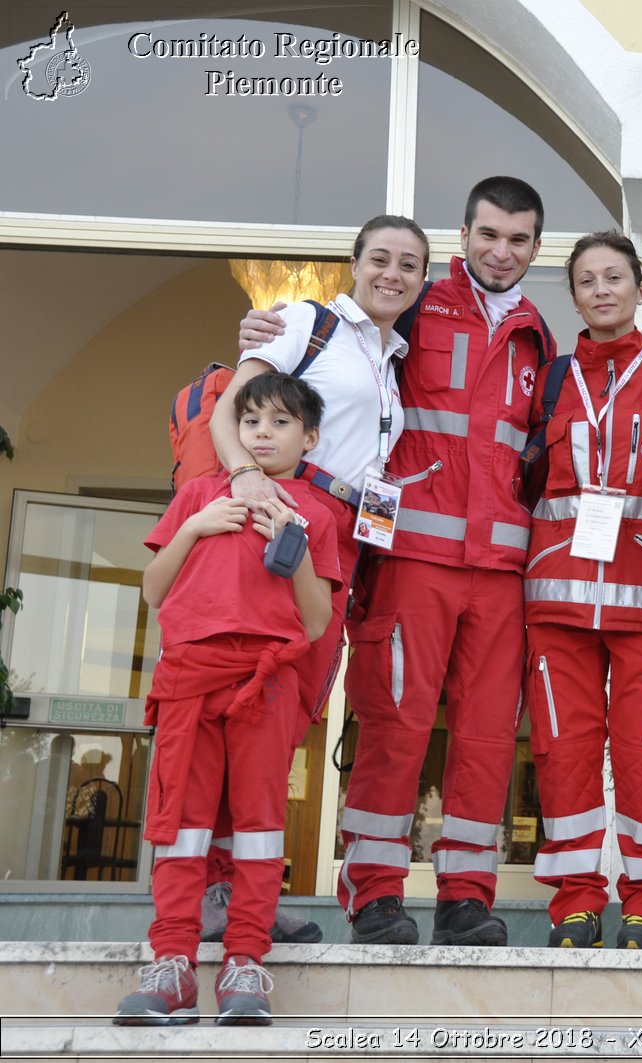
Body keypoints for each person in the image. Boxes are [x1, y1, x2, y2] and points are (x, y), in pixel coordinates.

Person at [239, 177, 556, 947]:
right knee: (395, 723)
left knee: (486, 734)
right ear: (464, 236)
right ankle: (375, 891)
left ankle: (467, 896)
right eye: (489, 235)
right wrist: (262, 333)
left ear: (536, 249)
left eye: (518, 239)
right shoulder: (414, 303)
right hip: (412, 554)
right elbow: (326, 362)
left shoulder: (538, 333)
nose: (501, 251)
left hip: (501, 567)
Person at [203, 214, 428, 947]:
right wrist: (245, 475)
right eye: (381, 259)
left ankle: (250, 893)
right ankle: (213, 887)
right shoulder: (309, 322)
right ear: (354, 263)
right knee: (257, 704)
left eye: (409, 265)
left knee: (292, 713)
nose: (393, 273)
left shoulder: (389, 355)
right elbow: (227, 409)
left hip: (347, 537)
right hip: (293, 513)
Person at [115, 373, 340, 1026]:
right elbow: (155, 590)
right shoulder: (197, 494)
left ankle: (245, 958)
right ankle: (172, 963)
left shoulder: (317, 514)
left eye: (280, 422)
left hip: (265, 684)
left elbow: (319, 621)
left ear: (310, 436)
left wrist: (289, 542)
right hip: (189, 678)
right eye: (250, 422)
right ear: (233, 433)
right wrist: (199, 526)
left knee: (261, 827)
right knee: (180, 826)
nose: (263, 434)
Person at [522, 231, 642, 950]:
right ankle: (576, 903)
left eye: (614, 277)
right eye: (586, 279)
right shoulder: (552, 379)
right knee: (562, 750)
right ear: (574, 295)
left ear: (640, 287)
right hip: (556, 602)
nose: (601, 289)